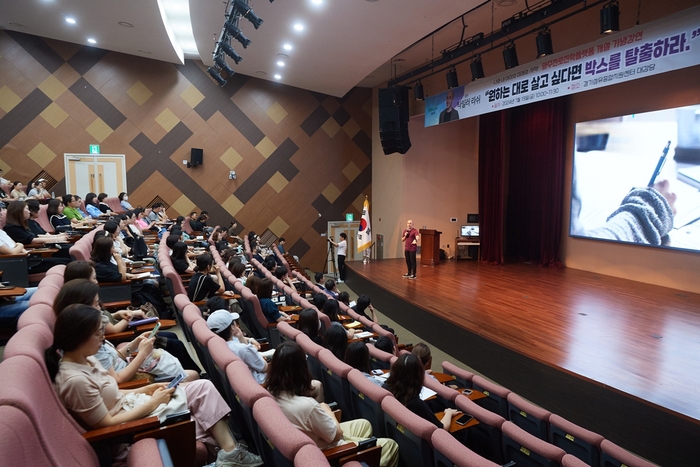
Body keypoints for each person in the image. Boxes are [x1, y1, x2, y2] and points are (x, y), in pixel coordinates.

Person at [45, 303, 263, 467]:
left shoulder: (86, 358)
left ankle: (230, 453)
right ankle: (230, 453)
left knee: (203, 387)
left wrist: (146, 389)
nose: (103, 338)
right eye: (97, 333)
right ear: (79, 338)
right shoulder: (74, 381)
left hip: (133, 403)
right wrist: (153, 402)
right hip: (130, 425)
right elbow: (106, 424)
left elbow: (114, 389)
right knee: (204, 401)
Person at [267, 341, 399, 467]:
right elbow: (336, 434)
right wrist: (327, 411)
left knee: (364, 424)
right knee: (390, 445)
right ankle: (361, 453)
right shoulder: (307, 406)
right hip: (332, 452)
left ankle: (363, 449)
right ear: (300, 369)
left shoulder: (270, 392)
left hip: (315, 438)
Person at [53, 278, 199, 383]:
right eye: (96, 304)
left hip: (127, 366)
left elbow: (116, 357)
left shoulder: (88, 337)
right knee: (192, 375)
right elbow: (117, 380)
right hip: (131, 380)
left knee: (173, 349)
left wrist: (136, 343)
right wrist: (141, 354)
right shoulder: (89, 344)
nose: (99, 309)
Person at [383, 353, 460, 430]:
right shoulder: (416, 404)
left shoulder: (385, 388)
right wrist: (449, 413)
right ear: (418, 377)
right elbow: (442, 429)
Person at [207, 309, 267, 383]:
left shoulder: (214, 346)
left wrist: (241, 337)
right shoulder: (242, 349)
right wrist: (258, 356)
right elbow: (264, 367)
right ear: (232, 327)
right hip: (258, 382)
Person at [3, 200, 69, 246]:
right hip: (33, 255)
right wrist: (56, 239)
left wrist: (57, 237)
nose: (29, 212)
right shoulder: (12, 228)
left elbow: (36, 236)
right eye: (27, 209)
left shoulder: (22, 225)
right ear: (18, 211)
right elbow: (33, 240)